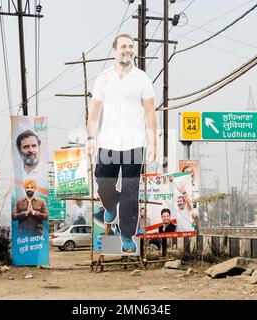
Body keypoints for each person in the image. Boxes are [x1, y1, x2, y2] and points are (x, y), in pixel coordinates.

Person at [86, 33, 157, 255]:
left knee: (130, 191)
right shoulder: (103, 78)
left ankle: (127, 235)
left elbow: (150, 112)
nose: (127, 49)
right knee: (102, 182)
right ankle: (109, 204)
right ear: (114, 50)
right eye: (123, 46)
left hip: (135, 144)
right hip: (107, 142)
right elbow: (94, 112)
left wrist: (153, 142)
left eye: (130, 46)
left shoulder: (142, 78)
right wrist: (90, 138)